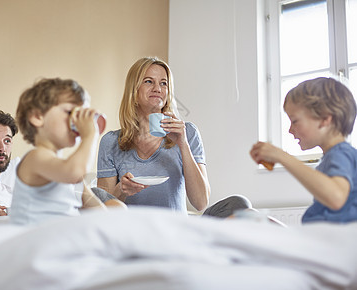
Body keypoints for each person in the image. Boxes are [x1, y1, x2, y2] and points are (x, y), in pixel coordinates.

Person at [97, 57, 251, 217]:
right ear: (133, 91)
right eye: (149, 81)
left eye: (164, 83)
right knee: (95, 194)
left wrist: (182, 143)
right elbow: (100, 210)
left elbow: (200, 202)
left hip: (177, 230)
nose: (158, 88)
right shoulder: (111, 142)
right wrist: (122, 189)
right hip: (136, 231)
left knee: (239, 204)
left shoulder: (188, 132)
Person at [10, 77, 125, 226]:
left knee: (117, 209)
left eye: (80, 114)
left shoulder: (69, 172)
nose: (77, 122)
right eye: (70, 112)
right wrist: (90, 135)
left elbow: (96, 210)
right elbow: (75, 172)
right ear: (37, 117)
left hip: (62, 235)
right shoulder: (36, 157)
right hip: (37, 240)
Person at [250, 77, 357, 223]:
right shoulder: (333, 156)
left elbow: (336, 198)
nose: (290, 130)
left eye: (295, 121)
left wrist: (282, 156)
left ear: (325, 118)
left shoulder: (341, 154)